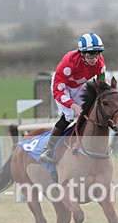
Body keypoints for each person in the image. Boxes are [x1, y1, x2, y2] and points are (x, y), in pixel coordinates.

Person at [38, 32, 106, 164]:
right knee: (68, 116)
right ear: (81, 53)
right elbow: (58, 89)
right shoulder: (69, 62)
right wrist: (73, 106)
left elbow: (101, 86)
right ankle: (48, 149)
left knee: (91, 110)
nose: (94, 58)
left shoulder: (100, 64)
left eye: (97, 53)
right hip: (62, 86)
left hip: (79, 86)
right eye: (90, 54)